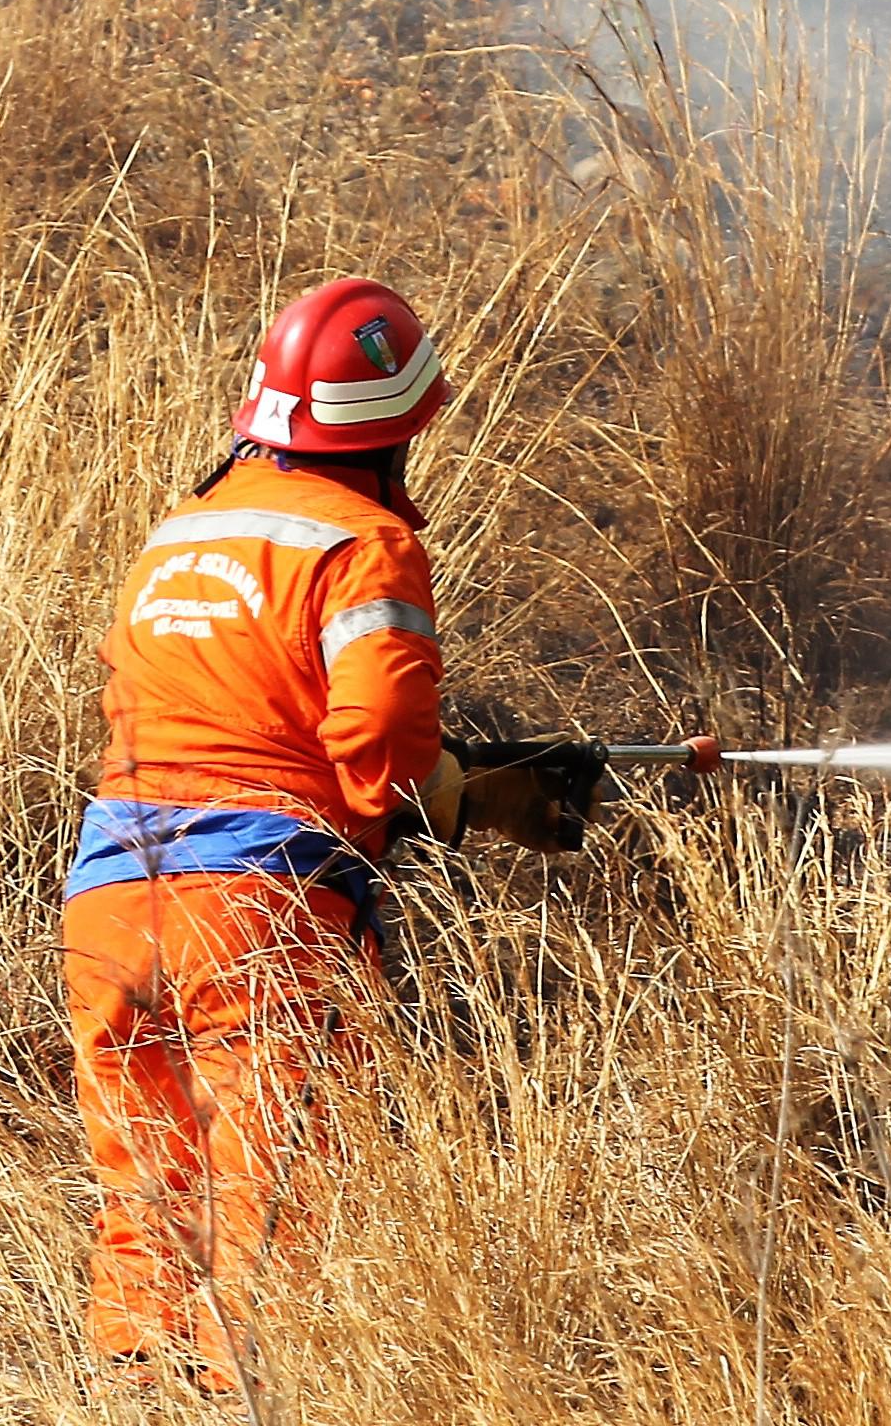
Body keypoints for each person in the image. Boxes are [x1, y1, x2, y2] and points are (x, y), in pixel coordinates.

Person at [60, 276, 582, 1387]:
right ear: (396, 427)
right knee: (270, 1204)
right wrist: (468, 796)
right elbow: (381, 733)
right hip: (253, 907)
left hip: (109, 902)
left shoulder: (182, 532)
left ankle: (134, 1392)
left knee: (146, 1201)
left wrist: (451, 783)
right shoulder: (362, 540)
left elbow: (202, 709)